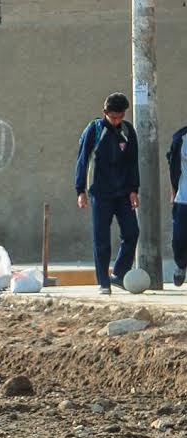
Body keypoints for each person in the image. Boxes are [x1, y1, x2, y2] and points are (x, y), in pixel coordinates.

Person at [75, 93, 140, 295]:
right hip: (100, 193)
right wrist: (80, 190)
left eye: (120, 116)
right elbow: (82, 160)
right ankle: (103, 281)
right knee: (101, 238)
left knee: (132, 232)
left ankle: (119, 273)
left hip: (123, 193)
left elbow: (133, 162)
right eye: (113, 117)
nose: (116, 120)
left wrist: (134, 190)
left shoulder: (128, 131)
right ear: (105, 113)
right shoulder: (94, 130)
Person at [166, 120, 187, 286]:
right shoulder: (181, 138)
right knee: (179, 239)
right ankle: (181, 265)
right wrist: (173, 190)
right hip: (183, 198)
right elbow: (172, 165)